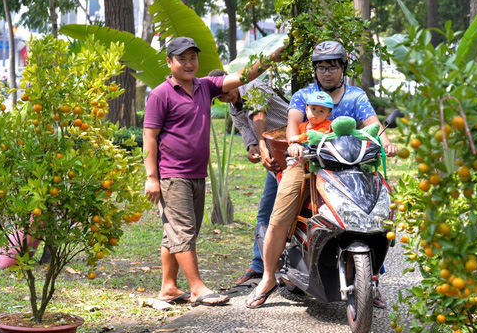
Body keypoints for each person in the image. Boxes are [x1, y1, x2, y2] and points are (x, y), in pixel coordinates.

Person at [246, 40, 398, 309]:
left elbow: (374, 126)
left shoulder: (356, 97)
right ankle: (268, 277)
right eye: (321, 67)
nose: (327, 73)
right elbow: (293, 125)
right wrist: (294, 143)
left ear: (343, 67)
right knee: (281, 212)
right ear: (314, 70)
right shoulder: (303, 96)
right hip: (306, 164)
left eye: (333, 66)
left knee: (379, 214)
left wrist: (386, 143)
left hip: (352, 168)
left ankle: (371, 280)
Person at [144, 36, 283, 306]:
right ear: (169, 62)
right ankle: (197, 288)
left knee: (178, 231)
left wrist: (270, 58)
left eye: (192, 58)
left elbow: (243, 76)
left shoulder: (205, 87)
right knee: (182, 231)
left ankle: (169, 288)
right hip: (173, 175)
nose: (188, 63)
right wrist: (152, 178)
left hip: (196, 173)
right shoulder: (160, 95)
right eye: (181, 59)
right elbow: (149, 137)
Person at [208, 69, 289, 286]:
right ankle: (259, 266)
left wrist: (262, 144)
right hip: (276, 160)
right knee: (265, 212)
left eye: (225, 93)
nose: (226, 99)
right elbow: (247, 132)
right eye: (220, 98)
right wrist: (253, 149)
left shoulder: (252, 87)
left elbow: (258, 115)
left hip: (296, 150)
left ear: (232, 81)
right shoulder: (234, 108)